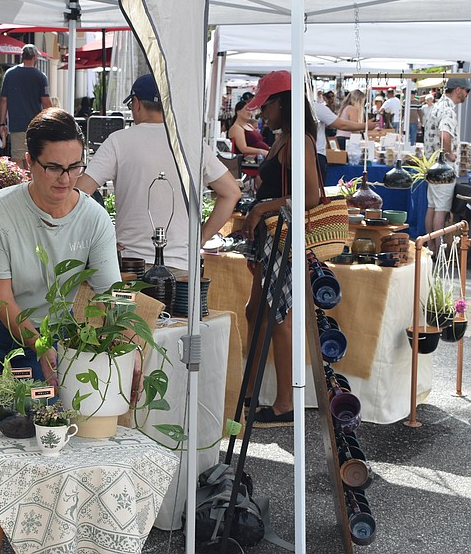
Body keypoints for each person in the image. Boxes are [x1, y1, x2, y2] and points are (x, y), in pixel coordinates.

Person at [0, 108, 120, 449]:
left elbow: (113, 295)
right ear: (28, 163)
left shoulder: (94, 219)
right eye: (53, 167)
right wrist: (41, 344)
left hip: (45, 334)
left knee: (41, 434)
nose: (66, 179)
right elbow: (1, 299)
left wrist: (128, 345)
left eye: (75, 167)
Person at [77, 74, 240, 267]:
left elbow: (78, 193)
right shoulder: (191, 145)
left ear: (136, 103)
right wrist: (202, 238)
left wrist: (100, 238)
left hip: (130, 263)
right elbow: (231, 193)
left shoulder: (118, 141)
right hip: (183, 263)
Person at [239, 71, 323, 427]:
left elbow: (312, 195)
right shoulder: (284, 138)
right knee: (257, 312)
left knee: (276, 316)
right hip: (271, 239)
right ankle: (248, 392)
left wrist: (260, 208)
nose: (262, 113)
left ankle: (285, 403)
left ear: (282, 103)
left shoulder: (297, 140)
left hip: (283, 237)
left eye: (266, 105)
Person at [423, 77, 470, 248]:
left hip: (432, 166)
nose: (467, 95)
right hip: (443, 169)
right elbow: (444, 135)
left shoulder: (436, 107)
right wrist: (450, 155)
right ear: (458, 90)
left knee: (432, 207)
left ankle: (431, 249)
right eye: (467, 91)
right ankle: (438, 251)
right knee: (440, 210)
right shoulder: (448, 110)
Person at [0, 44, 51, 168]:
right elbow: (46, 102)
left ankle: (20, 183)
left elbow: (3, 100)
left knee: (17, 156)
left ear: (22, 57)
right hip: (36, 124)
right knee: (33, 156)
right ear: (34, 57)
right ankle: (31, 183)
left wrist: (2, 123)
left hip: (16, 123)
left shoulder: (10, 74)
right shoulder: (40, 76)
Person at [314, 93, 375, 179]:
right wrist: (365, 126)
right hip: (342, 143)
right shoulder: (317, 108)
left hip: (336, 141)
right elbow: (346, 126)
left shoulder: (345, 108)